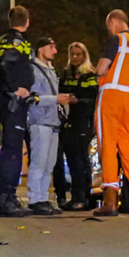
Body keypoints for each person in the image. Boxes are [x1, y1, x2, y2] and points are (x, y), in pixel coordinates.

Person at [94, 9, 129, 217]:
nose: (108, 30)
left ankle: (110, 198)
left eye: (108, 25)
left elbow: (102, 68)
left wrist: (97, 72)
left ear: (114, 21)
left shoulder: (117, 40)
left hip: (110, 96)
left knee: (107, 144)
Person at [0, 6, 36, 217]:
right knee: (12, 149)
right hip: (13, 100)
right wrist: (15, 88)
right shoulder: (16, 41)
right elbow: (6, 64)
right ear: (27, 21)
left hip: (6, 98)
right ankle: (6, 197)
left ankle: (7, 195)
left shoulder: (1, 40)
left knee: (12, 147)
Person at [27, 37, 73, 216]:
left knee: (49, 163)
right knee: (39, 161)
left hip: (52, 122)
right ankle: (35, 199)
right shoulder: (33, 70)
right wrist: (56, 99)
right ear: (41, 49)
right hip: (40, 121)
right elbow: (31, 98)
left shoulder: (50, 70)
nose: (55, 51)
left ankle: (43, 197)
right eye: (51, 47)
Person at [53, 42, 99, 210]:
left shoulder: (89, 75)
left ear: (84, 56)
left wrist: (77, 101)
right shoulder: (66, 73)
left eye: (78, 54)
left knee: (81, 161)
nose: (75, 57)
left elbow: (93, 100)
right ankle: (75, 197)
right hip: (67, 121)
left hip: (82, 122)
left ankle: (84, 198)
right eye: (72, 54)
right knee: (71, 162)